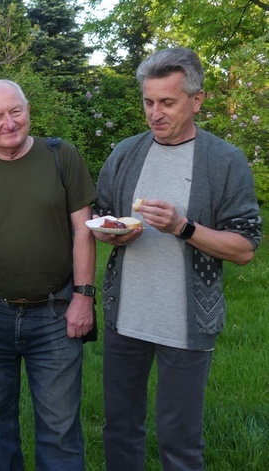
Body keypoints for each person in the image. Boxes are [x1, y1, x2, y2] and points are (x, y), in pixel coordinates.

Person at [94, 47, 262, 471]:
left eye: (167, 102)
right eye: (149, 102)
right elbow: (103, 216)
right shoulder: (125, 153)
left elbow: (244, 249)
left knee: (179, 440)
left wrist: (182, 227)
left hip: (187, 323)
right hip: (125, 316)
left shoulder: (224, 161)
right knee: (119, 429)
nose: (155, 113)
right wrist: (114, 233)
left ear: (197, 100)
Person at [0, 79, 97, 471]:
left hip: (55, 311)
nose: (9, 123)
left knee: (60, 426)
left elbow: (84, 230)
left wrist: (83, 297)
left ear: (28, 111)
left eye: (16, 112)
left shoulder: (62, 157)